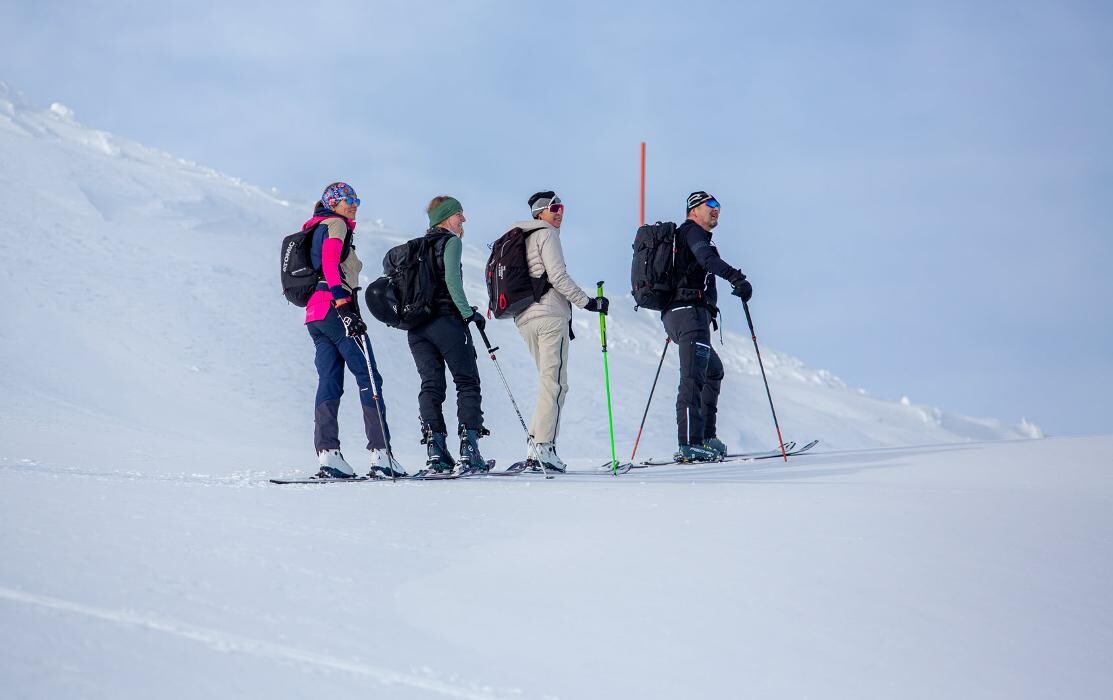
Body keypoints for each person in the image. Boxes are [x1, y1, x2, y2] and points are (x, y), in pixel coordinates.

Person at [302, 182, 405, 478]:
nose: (354, 204)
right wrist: (344, 306)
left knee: (329, 380)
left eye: (356, 199)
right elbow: (331, 266)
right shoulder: (336, 225)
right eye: (347, 199)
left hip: (315, 314)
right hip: (335, 308)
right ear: (332, 203)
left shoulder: (315, 227)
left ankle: (328, 454)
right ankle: (381, 455)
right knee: (369, 376)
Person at [508, 191, 608, 472]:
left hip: (526, 319)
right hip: (550, 317)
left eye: (561, 207)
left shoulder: (521, 238)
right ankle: (544, 449)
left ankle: (536, 445)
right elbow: (558, 276)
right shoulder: (546, 234)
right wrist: (589, 302)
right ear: (540, 213)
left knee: (548, 383)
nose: (560, 212)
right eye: (554, 207)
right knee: (555, 384)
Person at [663, 191, 754, 462]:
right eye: (710, 205)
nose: (716, 210)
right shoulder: (693, 233)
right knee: (692, 377)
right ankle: (689, 443)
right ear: (693, 209)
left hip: (685, 315)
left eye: (719, 206)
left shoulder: (690, 237)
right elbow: (708, 262)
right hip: (689, 315)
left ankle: (705, 436)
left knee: (713, 371)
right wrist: (736, 277)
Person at [407, 196, 489, 473]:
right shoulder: (451, 242)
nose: (463, 219)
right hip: (445, 322)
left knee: (431, 385)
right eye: (458, 214)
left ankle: (436, 451)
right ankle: (470, 449)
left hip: (417, 328)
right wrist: (467, 313)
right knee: (467, 382)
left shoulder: (415, 247)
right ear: (445, 217)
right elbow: (453, 280)